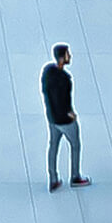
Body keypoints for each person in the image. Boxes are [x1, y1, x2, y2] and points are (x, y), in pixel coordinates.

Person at [41, 43, 91, 192]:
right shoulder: (64, 79)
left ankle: (53, 178)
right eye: (68, 54)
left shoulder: (47, 72)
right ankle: (75, 176)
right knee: (75, 145)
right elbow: (61, 99)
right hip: (64, 119)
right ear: (62, 58)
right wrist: (70, 113)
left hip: (52, 118)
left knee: (53, 145)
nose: (70, 56)